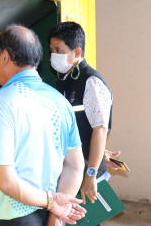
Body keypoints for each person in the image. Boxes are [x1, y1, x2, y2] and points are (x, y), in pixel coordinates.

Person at [0, 24, 86, 226]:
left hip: (13, 219)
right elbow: (74, 165)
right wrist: (55, 214)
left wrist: (51, 203)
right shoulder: (60, 102)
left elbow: (5, 180)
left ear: (4, 58)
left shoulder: (0, 103)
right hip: (50, 217)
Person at [48, 22, 113, 210]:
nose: (54, 55)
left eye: (59, 50)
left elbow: (99, 130)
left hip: (85, 173)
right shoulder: (64, 79)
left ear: (76, 52)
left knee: (88, 220)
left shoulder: (91, 82)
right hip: (69, 170)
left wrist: (91, 174)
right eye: (51, 49)